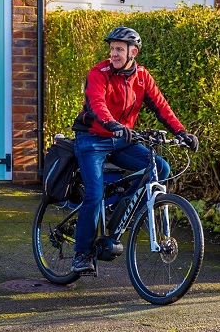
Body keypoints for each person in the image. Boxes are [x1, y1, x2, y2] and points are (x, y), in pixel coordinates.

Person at [70, 26, 198, 273]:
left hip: (121, 139)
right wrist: (112, 124)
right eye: (112, 49)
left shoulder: (142, 76)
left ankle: (122, 213)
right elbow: (96, 104)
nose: (114, 54)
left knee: (160, 167)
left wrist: (181, 133)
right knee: (94, 195)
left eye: (119, 49)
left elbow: (161, 107)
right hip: (92, 139)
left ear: (133, 52)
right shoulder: (99, 72)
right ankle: (82, 254)